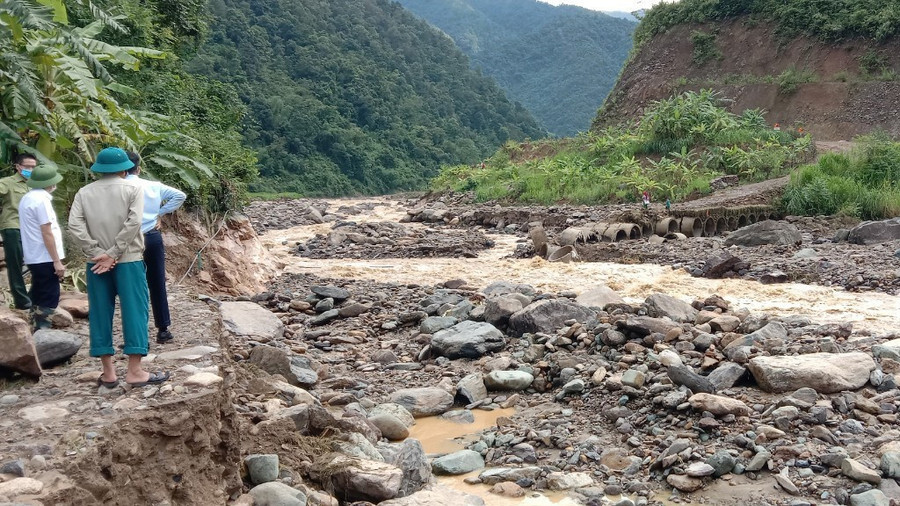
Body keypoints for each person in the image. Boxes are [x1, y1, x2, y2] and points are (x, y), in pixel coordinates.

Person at [68, 147, 169, 388]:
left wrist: (97, 253)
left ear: (99, 170)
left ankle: (109, 373)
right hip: (129, 259)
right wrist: (114, 253)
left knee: (100, 313)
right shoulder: (133, 188)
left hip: (96, 264)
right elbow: (134, 222)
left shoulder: (84, 192)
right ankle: (135, 371)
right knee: (135, 310)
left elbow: (74, 226)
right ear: (125, 169)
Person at [125, 151, 186, 344]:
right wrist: (160, 212)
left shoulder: (117, 188)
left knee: (133, 286)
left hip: (128, 240)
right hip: (151, 236)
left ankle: (138, 334)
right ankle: (163, 329)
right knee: (157, 282)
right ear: (138, 168)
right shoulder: (153, 186)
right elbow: (179, 195)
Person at [18, 165, 65, 330]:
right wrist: (57, 261)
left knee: (38, 291)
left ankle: (32, 327)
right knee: (49, 294)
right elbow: (47, 232)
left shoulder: (27, 198)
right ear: (50, 183)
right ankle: (42, 331)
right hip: (44, 256)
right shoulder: (42, 201)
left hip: (33, 255)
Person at [0, 154, 38, 310]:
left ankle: (33, 296)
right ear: (18, 166)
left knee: (38, 264)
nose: (30, 170)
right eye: (27, 166)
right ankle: (22, 301)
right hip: (13, 227)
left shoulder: (36, 184)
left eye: (33, 167)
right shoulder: (6, 183)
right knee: (15, 265)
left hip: (33, 229)